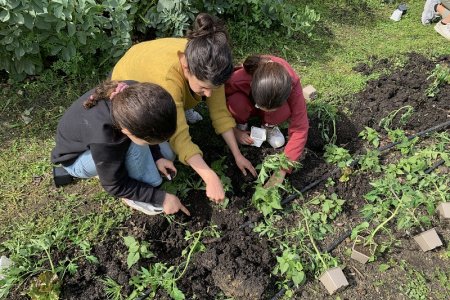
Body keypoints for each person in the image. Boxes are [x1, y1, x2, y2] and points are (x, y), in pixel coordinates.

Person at [111, 13, 257, 203]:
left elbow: (219, 112)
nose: (209, 95)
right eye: (204, 88)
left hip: (160, 74)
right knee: (168, 152)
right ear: (185, 67)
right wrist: (209, 176)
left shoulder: (210, 63)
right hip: (130, 87)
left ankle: (183, 105)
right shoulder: (168, 80)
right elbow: (179, 136)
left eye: (212, 88)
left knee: (197, 95)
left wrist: (237, 155)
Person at [51, 80, 190, 216]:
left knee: (167, 154)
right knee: (139, 157)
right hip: (76, 160)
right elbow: (114, 185)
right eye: (150, 143)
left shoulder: (135, 94)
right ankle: (134, 198)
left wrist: (158, 156)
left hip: (103, 144)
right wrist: (162, 198)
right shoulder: (107, 137)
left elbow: (148, 128)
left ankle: (116, 167)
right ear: (127, 131)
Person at [225, 55, 309, 186]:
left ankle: (269, 126)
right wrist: (233, 130)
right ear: (252, 85)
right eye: (262, 106)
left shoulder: (291, 84)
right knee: (235, 104)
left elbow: (301, 127)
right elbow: (217, 104)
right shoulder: (237, 80)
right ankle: (241, 123)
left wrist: (282, 170)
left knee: (284, 111)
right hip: (246, 101)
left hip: (265, 99)